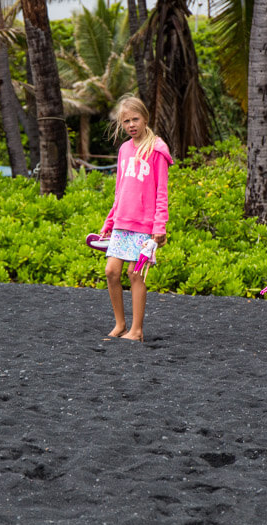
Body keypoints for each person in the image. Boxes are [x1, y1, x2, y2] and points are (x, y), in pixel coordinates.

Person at [100, 95, 173, 342]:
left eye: (135, 119)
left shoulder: (157, 149)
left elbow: (161, 191)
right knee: (111, 271)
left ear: (145, 118)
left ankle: (137, 330)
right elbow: (120, 189)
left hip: (145, 226)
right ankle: (120, 324)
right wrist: (110, 220)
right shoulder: (123, 150)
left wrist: (159, 226)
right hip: (122, 222)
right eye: (126, 121)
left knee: (135, 274)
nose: (131, 125)